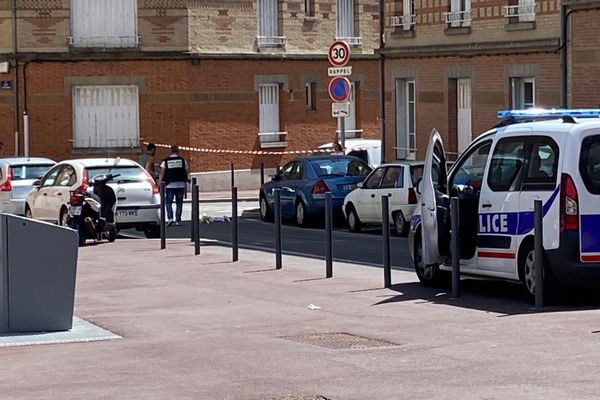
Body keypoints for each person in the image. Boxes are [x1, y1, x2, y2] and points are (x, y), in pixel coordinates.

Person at [158, 145, 189, 226]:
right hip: (180, 184)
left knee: (168, 202)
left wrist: (159, 184)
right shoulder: (183, 160)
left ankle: (170, 218)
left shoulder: (166, 161)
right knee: (179, 203)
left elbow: (162, 173)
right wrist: (186, 182)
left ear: (171, 151)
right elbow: (186, 172)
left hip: (169, 185)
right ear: (177, 151)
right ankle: (178, 220)